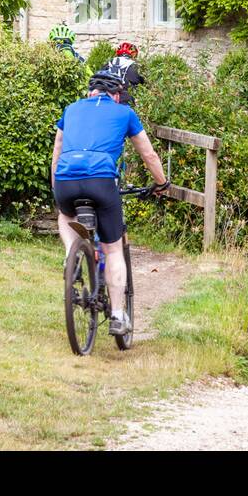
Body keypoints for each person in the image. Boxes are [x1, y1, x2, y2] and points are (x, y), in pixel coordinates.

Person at [51, 70, 170, 337]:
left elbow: (57, 150)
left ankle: (72, 254)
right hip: (102, 182)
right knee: (113, 249)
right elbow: (148, 154)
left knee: (64, 214)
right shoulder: (124, 113)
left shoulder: (70, 110)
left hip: (66, 180)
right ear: (116, 95)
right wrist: (161, 183)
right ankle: (117, 315)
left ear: (90, 92)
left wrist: (56, 186)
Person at [103, 41, 145, 105]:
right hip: (125, 99)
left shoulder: (109, 63)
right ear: (133, 54)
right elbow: (141, 81)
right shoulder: (134, 65)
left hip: (107, 97)